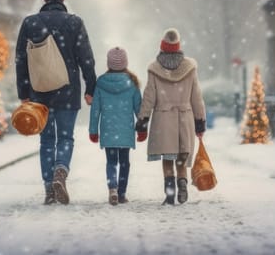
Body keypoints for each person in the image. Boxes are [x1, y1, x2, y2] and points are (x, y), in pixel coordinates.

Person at [15, 0, 96, 205]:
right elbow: (86, 59)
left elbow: (21, 60)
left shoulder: (30, 23)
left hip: (39, 93)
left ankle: (49, 188)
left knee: (47, 140)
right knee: (66, 137)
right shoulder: (74, 23)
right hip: (68, 91)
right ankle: (61, 170)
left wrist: (24, 92)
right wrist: (91, 88)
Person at [136, 28, 206, 205]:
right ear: (178, 47)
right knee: (181, 157)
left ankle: (170, 192)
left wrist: (143, 119)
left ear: (162, 46)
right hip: (185, 118)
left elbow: (149, 96)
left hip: (163, 120)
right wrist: (200, 120)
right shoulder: (189, 69)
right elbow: (196, 97)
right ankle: (182, 182)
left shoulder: (154, 69)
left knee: (168, 159)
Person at [88, 47, 142, 205]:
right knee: (125, 162)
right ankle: (121, 193)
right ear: (126, 63)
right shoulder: (132, 83)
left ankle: (112, 187)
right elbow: (139, 108)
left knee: (111, 161)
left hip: (108, 130)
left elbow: (95, 109)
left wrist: (93, 130)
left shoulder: (101, 82)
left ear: (108, 64)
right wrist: (142, 128)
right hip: (125, 131)